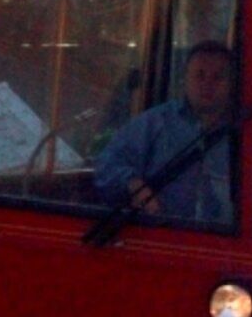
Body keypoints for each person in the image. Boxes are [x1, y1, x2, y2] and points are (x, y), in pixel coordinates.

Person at [90, 41, 237, 227]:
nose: (207, 84)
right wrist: (134, 185)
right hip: (162, 238)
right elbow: (106, 166)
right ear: (185, 79)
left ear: (232, 83)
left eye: (218, 77)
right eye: (199, 75)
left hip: (226, 245)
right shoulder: (155, 123)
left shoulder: (245, 132)